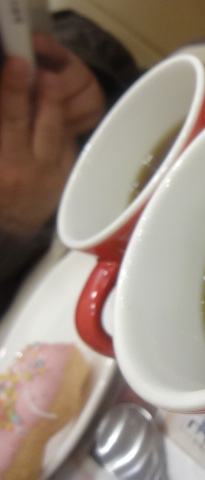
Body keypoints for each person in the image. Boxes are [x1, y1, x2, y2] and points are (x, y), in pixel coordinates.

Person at [0, 10, 141, 315]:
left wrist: (85, 72)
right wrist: (9, 235)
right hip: (45, 305)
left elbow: (63, 24)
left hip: (125, 179)